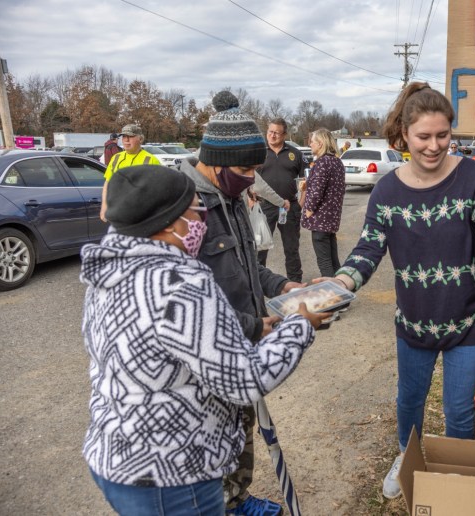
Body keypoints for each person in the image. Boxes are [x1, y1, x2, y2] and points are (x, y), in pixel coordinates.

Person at [329, 82, 475, 500]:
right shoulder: (387, 191)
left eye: (442, 136)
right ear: (404, 135)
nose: (433, 146)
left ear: (452, 133)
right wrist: (339, 283)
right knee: (409, 400)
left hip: (471, 320)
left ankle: (455, 476)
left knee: (459, 409)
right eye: (423, 137)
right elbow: (368, 248)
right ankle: (406, 454)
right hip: (414, 321)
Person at [81, 164, 327, 516]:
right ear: (168, 221)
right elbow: (244, 380)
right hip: (173, 474)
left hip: (117, 456)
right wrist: (299, 326)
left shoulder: (113, 269)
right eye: (197, 210)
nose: (203, 221)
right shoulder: (178, 283)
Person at [179, 91, 305, 515]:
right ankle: (217, 505)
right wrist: (255, 326)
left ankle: (237, 499)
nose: (253, 177)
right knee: (212, 439)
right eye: (245, 168)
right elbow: (182, 305)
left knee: (241, 427)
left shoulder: (230, 199)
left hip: (243, 346)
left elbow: (249, 266)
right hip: (207, 357)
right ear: (214, 160)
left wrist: (285, 286)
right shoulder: (184, 210)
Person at [258, 118, 307, 282]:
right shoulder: (259, 152)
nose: (272, 136)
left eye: (276, 133)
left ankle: (295, 282)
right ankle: (259, 281)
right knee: (260, 247)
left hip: (289, 207)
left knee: (291, 247)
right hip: (264, 207)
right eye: (270, 132)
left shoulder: (295, 154)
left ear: (284, 134)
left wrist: (300, 204)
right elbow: (249, 178)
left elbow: (304, 182)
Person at [301, 128, 346, 277]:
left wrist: (309, 210)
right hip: (331, 220)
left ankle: (334, 297)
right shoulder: (337, 162)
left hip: (320, 220)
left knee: (325, 262)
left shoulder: (322, 163)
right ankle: (343, 295)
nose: (310, 145)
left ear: (320, 144)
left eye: (312, 142)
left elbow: (317, 191)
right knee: (334, 261)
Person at [99, 124, 162, 222]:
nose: (126, 140)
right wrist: (104, 206)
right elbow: (108, 183)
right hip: (118, 214)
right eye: (124, 136)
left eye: (131, 137)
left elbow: (158, 191)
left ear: (140, 139)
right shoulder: (116, 158)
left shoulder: (151, 160)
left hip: (141, 217)